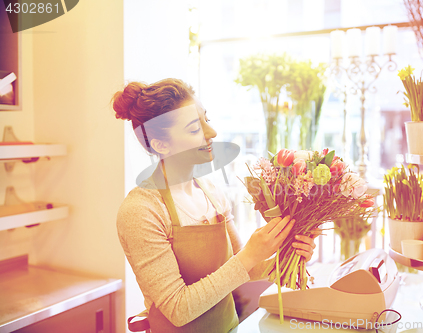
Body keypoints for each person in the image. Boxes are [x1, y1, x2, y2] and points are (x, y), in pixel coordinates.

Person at [113, 78, 318, 333]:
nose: (212, 133)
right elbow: (178, 309)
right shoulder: (141, 211)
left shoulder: (211, 193)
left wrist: (288, 257)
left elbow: (246, 269)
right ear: (161, 144)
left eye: (206, 120)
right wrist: (251, 254)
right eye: (193, 128)